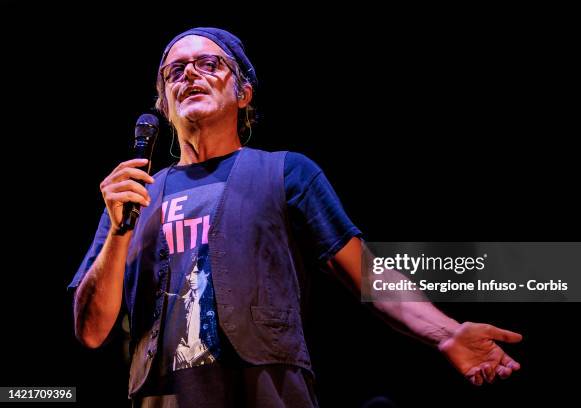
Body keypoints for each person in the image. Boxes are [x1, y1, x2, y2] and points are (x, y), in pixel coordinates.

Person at [68, 27, 522, 407]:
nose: (190, 75)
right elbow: (90, 331)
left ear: (243, 92)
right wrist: (119, 231)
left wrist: (446, 333)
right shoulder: (132, 195)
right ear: (164, 104)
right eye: (175, 70)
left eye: (209, 64)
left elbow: (366, 274)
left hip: (270, 393)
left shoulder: (285, 171)